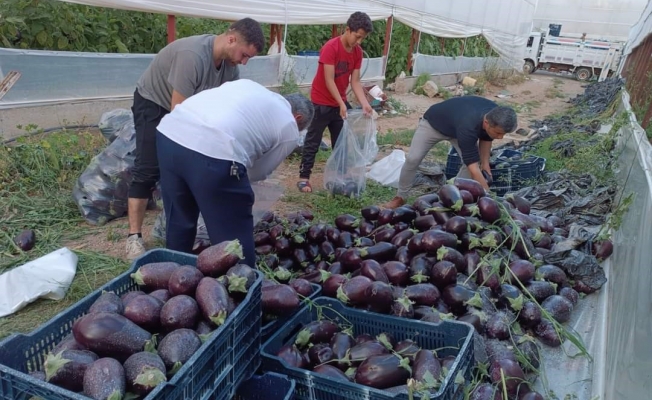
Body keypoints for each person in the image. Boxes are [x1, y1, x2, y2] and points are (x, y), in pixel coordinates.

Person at [125, 18, 265, 260]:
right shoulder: (193, 56)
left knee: (182, 166)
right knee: (148, 168)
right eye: (244, 55)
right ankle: (133, 237)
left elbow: (226, 109)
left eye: (248, 58)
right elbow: (178, 113)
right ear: (231, 39)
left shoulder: (231, 68)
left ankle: (168, 214)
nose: (243, 61)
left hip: (186, 108)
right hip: (155, 103)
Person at [155, 79, 315, 265]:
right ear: (298, 118)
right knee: (233, 238)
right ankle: (241, 286)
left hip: (170, 134)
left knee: (180, 219)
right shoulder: (289, 126)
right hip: (214, 149)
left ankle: (175, 275)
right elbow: (259, 171)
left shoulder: (252, 87)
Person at [383, 96, 518, 209]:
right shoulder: (469, 126)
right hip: (433, 124)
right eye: (499, 133)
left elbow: (486, 137)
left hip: (457, 126)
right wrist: (489, 198)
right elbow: (474, 169)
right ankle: (400, 197)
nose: (501, 137)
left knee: (470, 164)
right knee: (413, 158)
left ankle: (451, 196)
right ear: (486, 122)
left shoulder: (495, 114)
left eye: (504, 134)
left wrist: (486, 165)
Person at [296, 11, 374, 193]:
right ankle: (304, 177)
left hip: (340, 102)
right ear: (348, 30)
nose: (359, 42)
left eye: (362, 38)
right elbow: (329, 79)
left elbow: (355, 81)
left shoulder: (357, 53)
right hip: (320, 101)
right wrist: (340, 103)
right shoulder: (331, 47)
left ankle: (339, 177)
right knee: (313, 141)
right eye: (357, 37)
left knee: (341, 141)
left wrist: (364, 103)